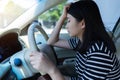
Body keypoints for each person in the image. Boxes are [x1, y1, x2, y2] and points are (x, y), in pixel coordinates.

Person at [29, 0, 120, 80]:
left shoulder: (99, 54)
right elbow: (52, 41)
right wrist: (63, 17)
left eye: (68, 20)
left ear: (82, 23)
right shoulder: (81, 42)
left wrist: (51, 70)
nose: (66, 25)